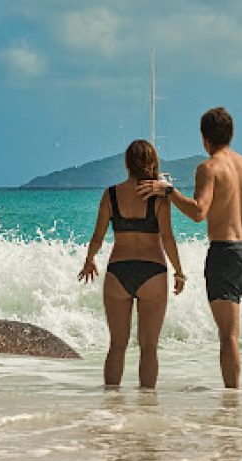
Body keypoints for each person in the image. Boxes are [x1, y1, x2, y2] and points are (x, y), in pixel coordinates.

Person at [137, 107, 242, 390]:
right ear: (230, 135)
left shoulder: (208, 169)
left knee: (229, 336)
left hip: (225, 253)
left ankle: (232, 403)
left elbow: (198, 213)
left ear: (204, 138)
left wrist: (168, 191)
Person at [78, 140, 185, 389]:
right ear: (153, 163)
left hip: (119, 272)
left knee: (117, 345)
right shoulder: (159, 197)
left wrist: (89, 260)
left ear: (127, 163)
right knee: (149, 348)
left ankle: (111, 408)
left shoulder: (111, 194)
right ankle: (147, 409)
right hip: (153, 272)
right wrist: (180, 272)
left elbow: (98, 235)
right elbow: (168, 238)